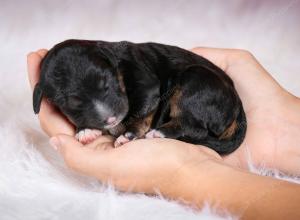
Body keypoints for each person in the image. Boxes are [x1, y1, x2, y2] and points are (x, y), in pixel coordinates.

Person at [27, 47, 300, 219]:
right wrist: (86, 125)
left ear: (111, 63)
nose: (106, 114)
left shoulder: (129, 65)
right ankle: (172, 129)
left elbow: (150, 93)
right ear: (46, 98)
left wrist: (137, 128)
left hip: (204, 90)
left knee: (189, 85)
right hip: (202, 109)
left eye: (106, 87)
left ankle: (180, 128)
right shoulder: (99, 77)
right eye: (77, 105)